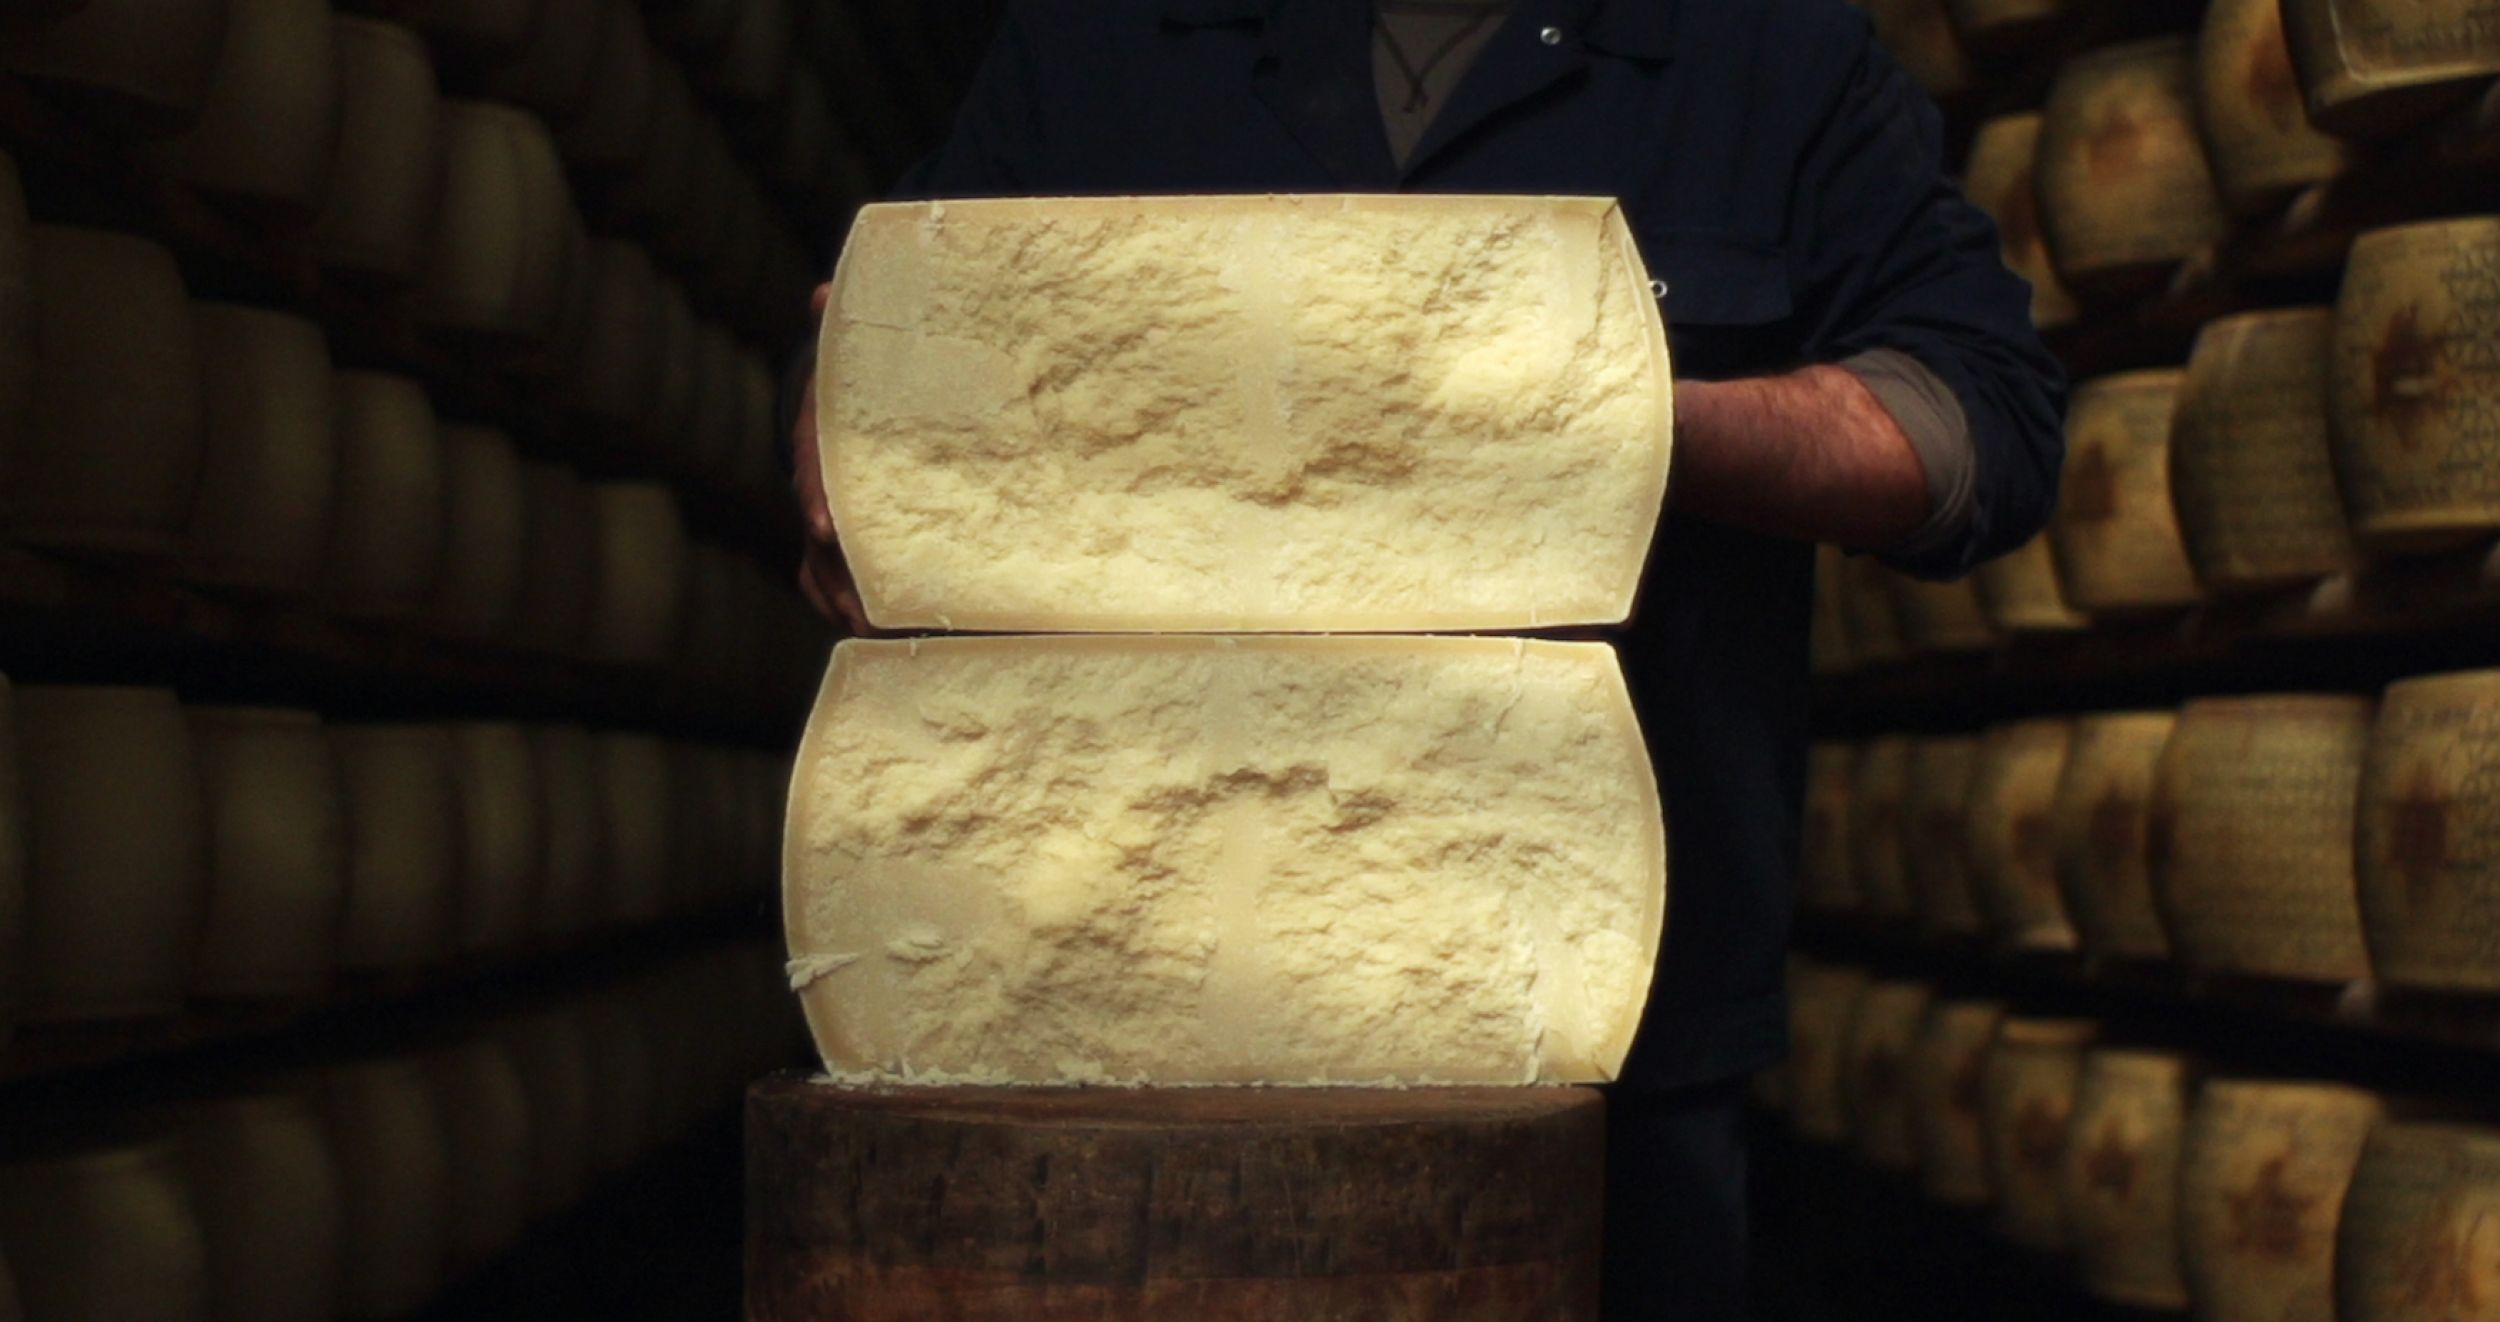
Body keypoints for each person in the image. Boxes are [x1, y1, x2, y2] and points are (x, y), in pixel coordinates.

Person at [787, 2, 2067, 1316]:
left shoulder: (1762, 55)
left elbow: (1985, 426)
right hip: (1112, 1033)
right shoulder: (1104, 47)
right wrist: (842, 439)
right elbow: (889, 328)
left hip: (1597, 1044)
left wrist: (1619, 414)